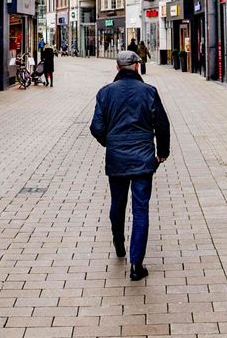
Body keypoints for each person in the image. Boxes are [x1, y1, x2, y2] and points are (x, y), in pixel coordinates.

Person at [90, 50, 171, 281]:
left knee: (118, 203)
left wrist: (111, 143)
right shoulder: (149, 92)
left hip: (116, 158)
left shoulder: (105, 93)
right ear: (136, 66)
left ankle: (118, 243)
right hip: (143, 159)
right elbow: (162, 126)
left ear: (117, 68)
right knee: (140, 209)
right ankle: (136, 265)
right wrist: (161, 154)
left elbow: (96, 127)